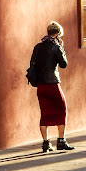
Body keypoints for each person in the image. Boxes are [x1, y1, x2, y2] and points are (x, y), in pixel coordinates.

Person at [29, 21, 75, 152]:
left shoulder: (37, 47)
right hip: (53, 84)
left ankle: (45, 143)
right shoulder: (56, 47)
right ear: (58, 34)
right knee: (62, 109)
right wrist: (61, 49)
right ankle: (61, 141)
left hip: (41, 85)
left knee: (44, 113)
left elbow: (32, 63)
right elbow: (63, 64)